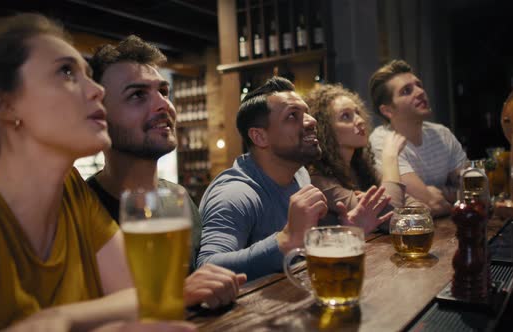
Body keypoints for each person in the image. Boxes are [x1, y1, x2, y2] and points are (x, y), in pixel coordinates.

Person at [0, 13, 196, 332]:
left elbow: (138, 297)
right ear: (4, 105)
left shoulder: (72, 194)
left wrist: (61, 318)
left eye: (87, 73)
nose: (96, 90)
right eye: (66, 72)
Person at [86, 35, 246, 310]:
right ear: (101, 116)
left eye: (163, 91)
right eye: (137, 95)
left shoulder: (178, 197)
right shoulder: (81, 209)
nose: (164, 105)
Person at [197, 77, 392, 280]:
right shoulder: (234, 194)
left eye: (306, 112)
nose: (311, 121)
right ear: (259, 137)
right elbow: (206, 269)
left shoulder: (300, 174)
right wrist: (284, 241)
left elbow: (300, 253)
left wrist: (346, 235)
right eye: (292, 115)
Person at [305, 83, 424, 230]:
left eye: (357, 113)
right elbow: (392, 219)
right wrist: (390, 157)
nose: (360, 121)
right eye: (346, 116)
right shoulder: (319, 180)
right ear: (325, 129)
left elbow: (420, 209)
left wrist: (376, 202)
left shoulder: (361, 167)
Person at [368, 60, 467, 216]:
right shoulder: (384, 142)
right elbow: (430, 203)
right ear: (387, 110)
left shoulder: (442, 134)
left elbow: (473, 191)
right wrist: (451, 196)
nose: (420, 92)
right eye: (407, 91)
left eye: (419, 85)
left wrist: (441, 193)